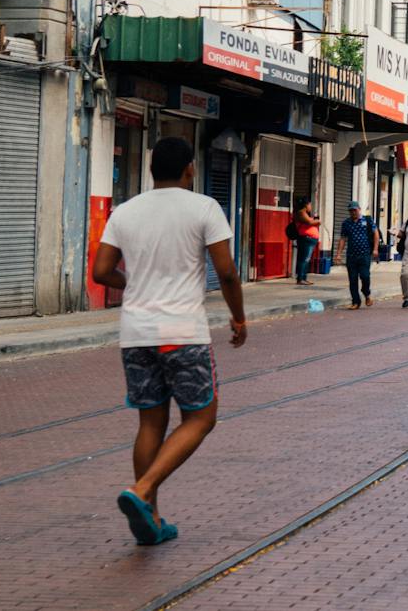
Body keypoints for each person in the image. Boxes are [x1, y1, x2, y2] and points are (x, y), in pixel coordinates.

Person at [90, 137, 245, 546]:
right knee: (201, 418)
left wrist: (134, 283)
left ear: (152, 168)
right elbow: (226, 272)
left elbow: (102, 271)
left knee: (150, 423)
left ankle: (152, 518)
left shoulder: (126, 211)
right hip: (183, 333)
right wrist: (239, 317)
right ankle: (142, 493)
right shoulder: (204, 208)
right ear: (190, 169)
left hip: (136, 333)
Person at [339, 200, 377, 308]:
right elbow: (343, 239)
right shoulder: (346, 223)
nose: (353, 212)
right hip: (351, 256)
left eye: (355, 210)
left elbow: (376, 234)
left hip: (365, 255)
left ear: (359, 209)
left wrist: (375, 249)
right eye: (351, 211)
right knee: (352, 279)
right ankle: (356, 302)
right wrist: (338, 254)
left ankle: (366, 293)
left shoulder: (367, 220)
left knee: (365, 276)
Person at [291, 198, 320, 285]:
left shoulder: (305, 214)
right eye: (310, 205)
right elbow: (309, 223)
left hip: (309, 239)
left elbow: (311, 221)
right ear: (305, 205)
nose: (310, 207)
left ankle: (303, 277)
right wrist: (317, 221)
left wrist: (314, 220)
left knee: (305, 259)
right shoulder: (301, 213)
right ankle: (300, 278)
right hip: (306, 239)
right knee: (304, 259)